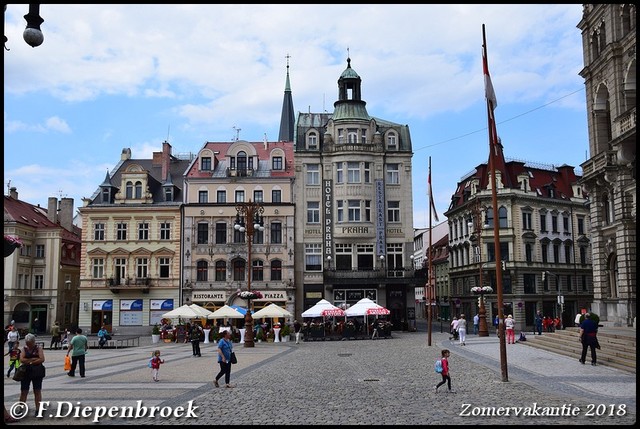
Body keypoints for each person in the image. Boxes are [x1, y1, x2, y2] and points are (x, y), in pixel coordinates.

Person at [19, 333, 46, 411]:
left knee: (37, 390)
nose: (28, 345)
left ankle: (38, 409)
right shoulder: (24, 349)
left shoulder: (38, 348)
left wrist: (28, 361)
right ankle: (21, 408)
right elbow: (22, 359)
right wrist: (34, 360)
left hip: (37, 372)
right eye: (27, 343)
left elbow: (42, 359)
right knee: (24, 391)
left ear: (33, 342)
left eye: (30, 343)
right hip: (26, 372)